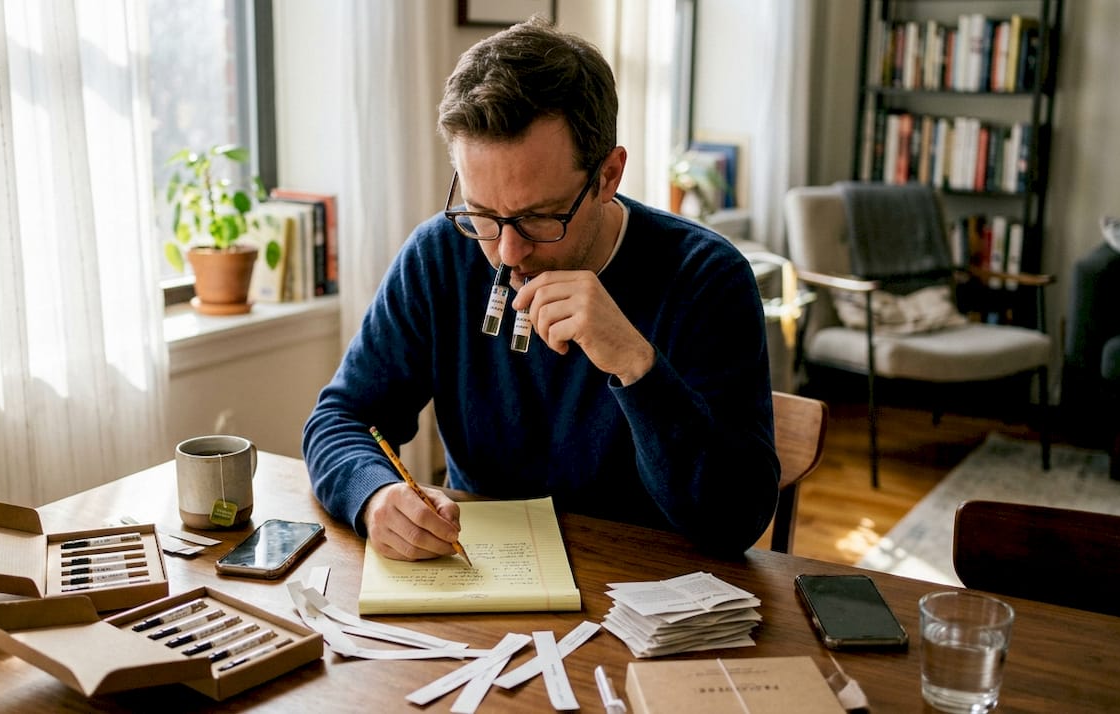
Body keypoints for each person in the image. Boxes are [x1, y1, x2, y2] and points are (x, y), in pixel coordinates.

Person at [303, 17, 778, 561]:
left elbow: (736, 519)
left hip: (648, 595)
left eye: (538, 219)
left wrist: (635, 365)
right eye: (482, 213)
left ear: (608, 176)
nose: (507, 252)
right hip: (480, 585)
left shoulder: (708, 279)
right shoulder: (441, 254)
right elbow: (339, 420)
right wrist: (375, 496)